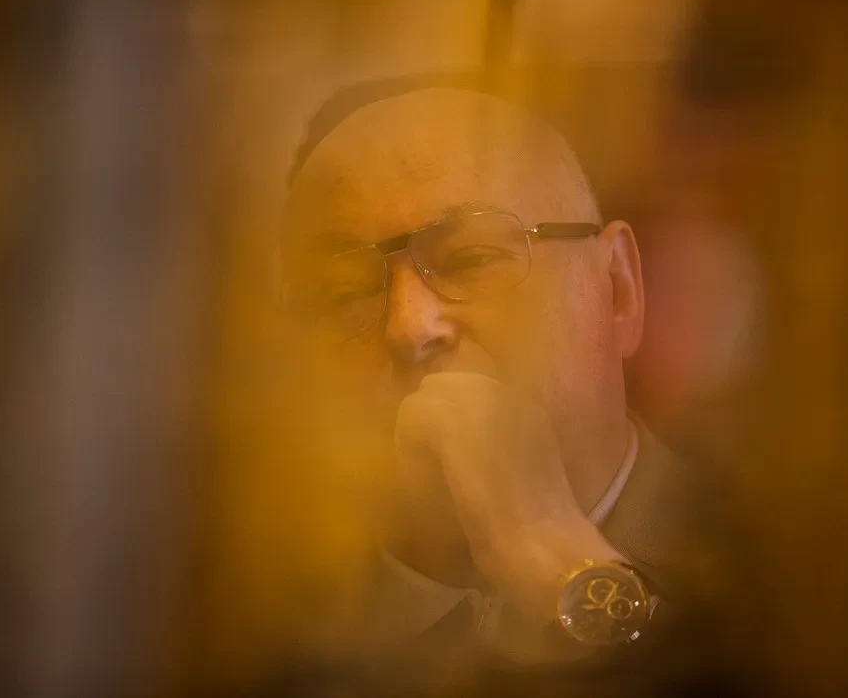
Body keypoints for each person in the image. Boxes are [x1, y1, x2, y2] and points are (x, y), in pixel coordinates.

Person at [278, 85, 739, 689]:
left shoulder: (820, 577)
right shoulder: (244, 623)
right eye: (345, 290)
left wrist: (556, 560)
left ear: (618, 289)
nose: (409, 328)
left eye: (472, 259)